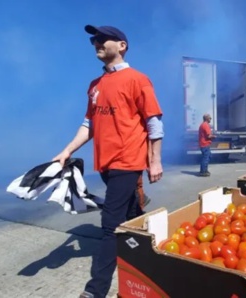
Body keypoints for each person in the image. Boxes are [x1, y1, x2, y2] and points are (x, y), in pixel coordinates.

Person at [51, 25, 164, 298]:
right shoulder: (95, 85)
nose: (96, 43)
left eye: (102, 39)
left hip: (128, 159)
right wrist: (66, 150)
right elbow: (89, 124)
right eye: (94, 39)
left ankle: (95, 290)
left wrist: (155, 160)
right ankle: (151, 252)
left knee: (109, 226)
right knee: (130, 215)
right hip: (104, 162)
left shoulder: (138, 79)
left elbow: (154, 122)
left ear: (122, 45)